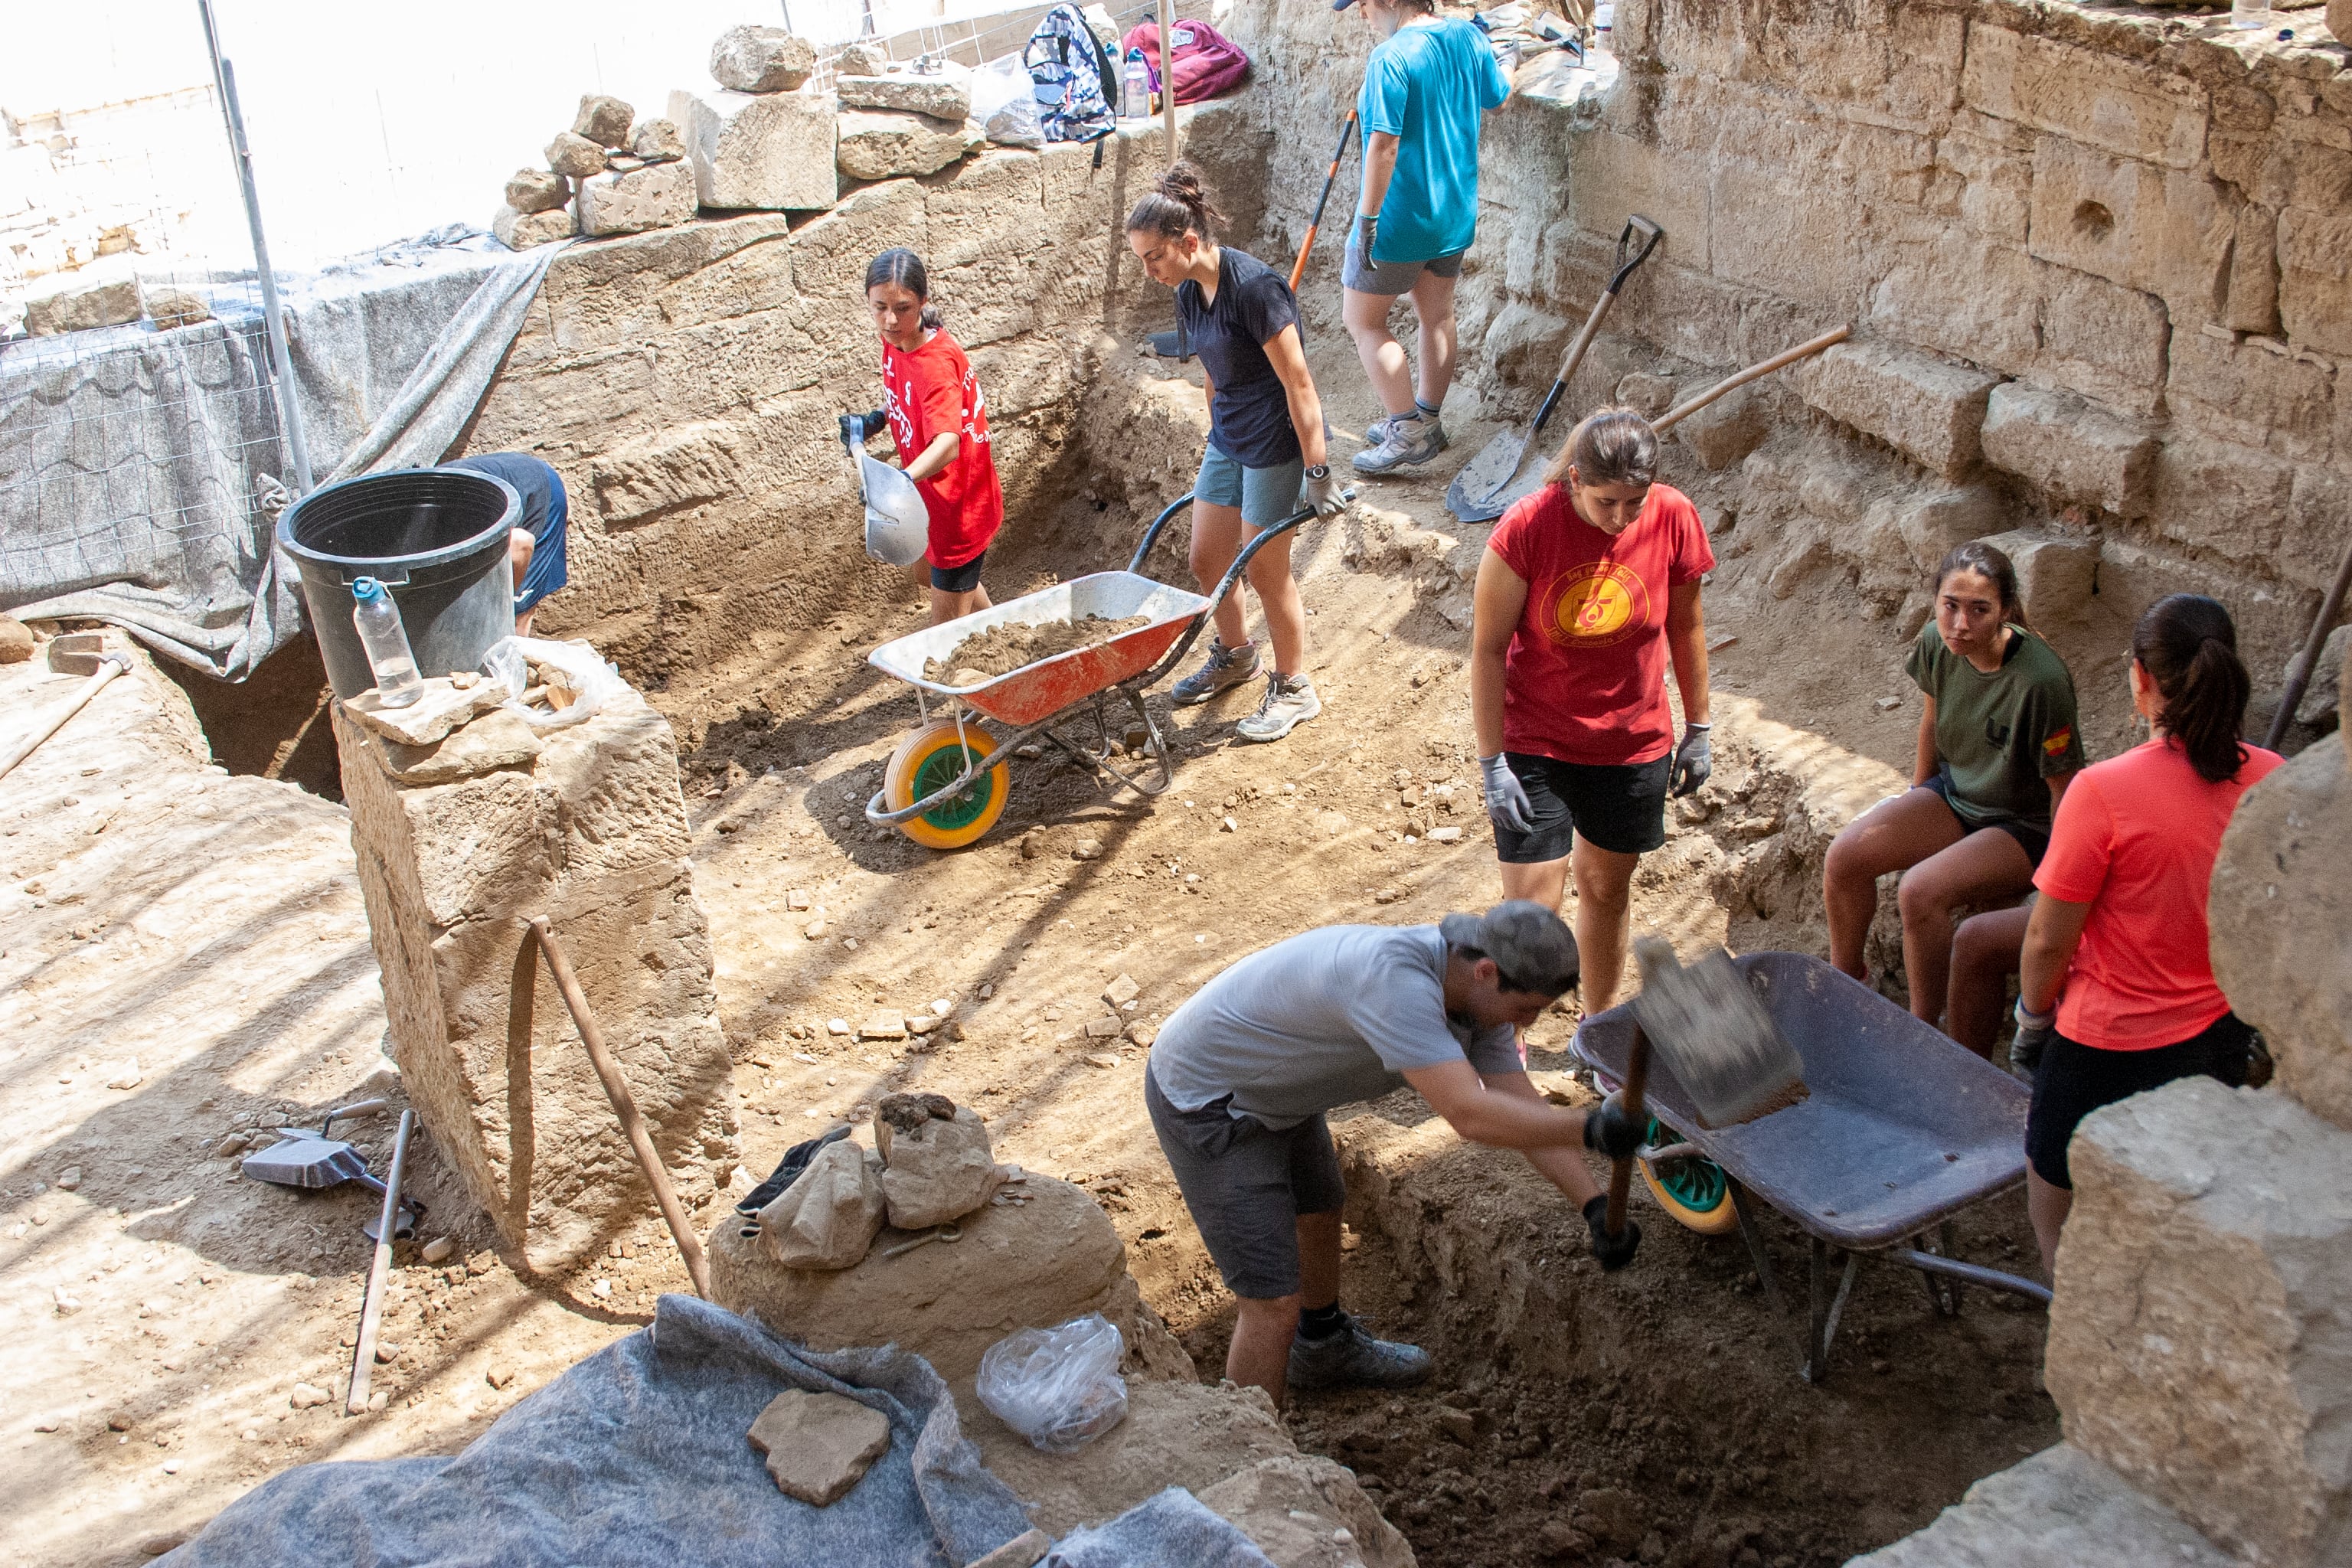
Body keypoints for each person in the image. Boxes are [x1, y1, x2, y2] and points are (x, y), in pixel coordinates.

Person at [1145, 900, 1643, 1408]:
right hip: (1208, 1098)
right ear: (1487, 971)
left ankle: (1321, 1347)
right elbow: (1469, 1114)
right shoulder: (1397, 985)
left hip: (1274, 1089)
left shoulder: (1476, 997)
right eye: (1526, 1010)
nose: (1529, 1024)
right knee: (1271, 1303)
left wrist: (1594, 1205)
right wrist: (1590, 1127)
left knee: (1319, 1208)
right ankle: (1248, 1453)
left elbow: (1518, 1105)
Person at [2012, 594, 2280, 1275]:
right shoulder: (2274, 780)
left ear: (2141, 678)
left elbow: (2048, 942)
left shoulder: (2102, 793)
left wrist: (2032, 1017)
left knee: (2057, 1220)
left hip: (2103, 1046)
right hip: (2216, 1037)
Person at [1468, 410, 1714, 1014]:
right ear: (1574, 479)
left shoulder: (1675, 516)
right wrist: (1492, 761)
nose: (1621, 519)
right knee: (1530, 912)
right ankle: (1507, 1038)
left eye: (1635, 502)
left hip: (1631, 741)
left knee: (1606, 889)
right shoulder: (1527, 527)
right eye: (1607, 502)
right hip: (1538, 738)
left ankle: (1596, 1025)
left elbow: (1686, 627)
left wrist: (1699, 727)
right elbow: (1488, 648)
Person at [1822, 542, 2084, 1030]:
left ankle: (1923, 1028)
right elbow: (1931, 721)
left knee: (1919, 892)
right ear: (1936, 601)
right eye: (1951, 606)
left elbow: (2063, 787)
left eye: (1980, 610)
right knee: (1846, 857)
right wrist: (1917, 797)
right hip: (1956, 794)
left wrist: (2058, 877)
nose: (1961, 625)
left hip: (2022, 824)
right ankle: (1848, 983)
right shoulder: (1935, 644)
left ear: (2005, 611)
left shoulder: (2040, 681)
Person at [1126, 163, 1347, 743]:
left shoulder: (1255, 289)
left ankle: (1295, 686)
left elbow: (1299, 383)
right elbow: (1212, 372)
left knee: (1268, 570)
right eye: (1141, 260)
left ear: (1189, 242)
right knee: (1207, 557)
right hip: (1228, 439)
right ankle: (1236, 653)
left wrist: (1317, 469)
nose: (1148, 271)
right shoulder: (1189, 292)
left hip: (1275, 442)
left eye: (1153, 257)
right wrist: (1216, 432)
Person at [1335, 0, 1512, 475]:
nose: (1361, 13)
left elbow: (1384, 143)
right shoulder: (1470, 38)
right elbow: (1499, 98)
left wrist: (1367, 219)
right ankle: (1428, 421)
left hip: (1400, 218)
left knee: (1363, 321)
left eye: (1365, 3)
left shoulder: (1391, 58)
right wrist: (1509, 59)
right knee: (1437, 315)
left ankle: (1407, 428)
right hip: (1453, 213)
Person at [849, 247, 1004, 626]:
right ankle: (1003, 630)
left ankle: (977, 674)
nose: (889, 319)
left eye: (902, 308)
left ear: (922, 302)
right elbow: (903, 396)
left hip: (958, 506)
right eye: (879, 307)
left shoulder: (935, 365)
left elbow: (948, 443)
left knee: (943, 629)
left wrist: (900, 481)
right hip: (928, 498)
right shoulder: (896, 342)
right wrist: (877, 418)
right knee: (927, 576)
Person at [443, 452, 569, 636]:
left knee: (518, 608)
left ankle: (515, 658)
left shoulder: (461, 520)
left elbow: (521, 544)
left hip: (541, 490)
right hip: (500, 481)